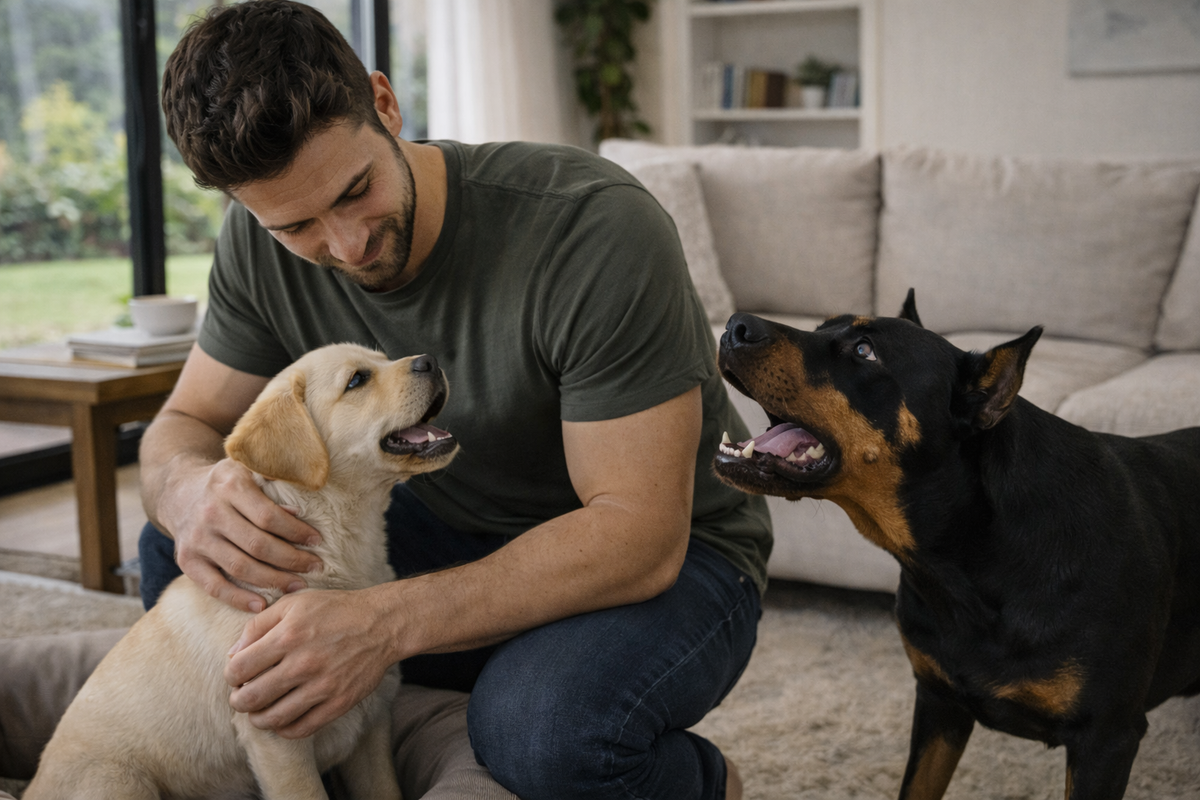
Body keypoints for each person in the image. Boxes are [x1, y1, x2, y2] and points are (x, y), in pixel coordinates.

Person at [136, 1, 772, 797]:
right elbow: (183, 426)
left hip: (665, 561)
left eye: (354, 190)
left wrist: (383, 624)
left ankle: (699, 781)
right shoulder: (257, 246)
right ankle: (426, 701)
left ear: (386, 103)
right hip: (442, 530)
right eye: (296, 226)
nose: (345, 245)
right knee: (181, 550)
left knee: (541, 730)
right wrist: (188, 493)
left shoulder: (593, 227)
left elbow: (639, 536)